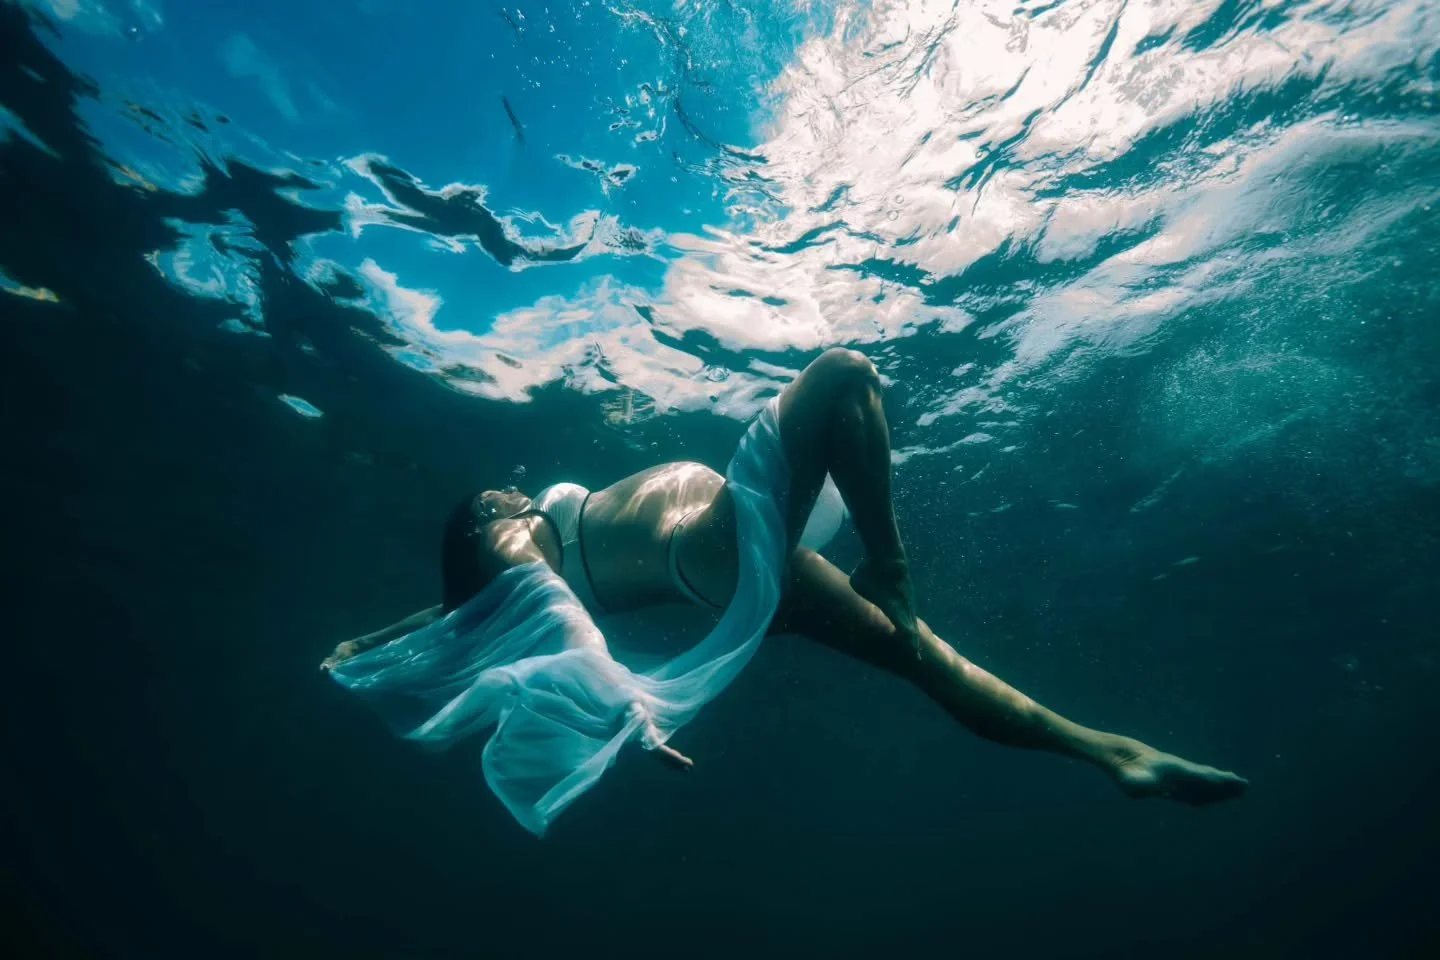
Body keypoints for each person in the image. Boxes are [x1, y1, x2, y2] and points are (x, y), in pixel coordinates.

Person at [322, 348, 1247, 834]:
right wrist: (627, 708)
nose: (516, 490)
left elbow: (466, 617)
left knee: (929, 662)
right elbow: (547, 609)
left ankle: (1115, 754)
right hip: (719, 544)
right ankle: (894, 562)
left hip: (741, 578)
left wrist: (372, 641)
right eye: (503, 495)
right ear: (484, 513)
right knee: (844, 373)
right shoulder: (504, 531)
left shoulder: (491, 581)